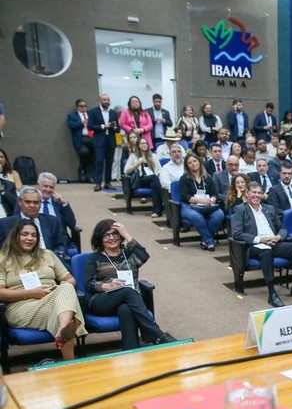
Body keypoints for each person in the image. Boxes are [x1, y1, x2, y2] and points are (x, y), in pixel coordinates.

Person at [0, 219, 86, 361]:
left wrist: (66, 283)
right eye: (25, 234)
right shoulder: (3, 258)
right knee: (67, 308)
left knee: (66, 289)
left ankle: (63, 328)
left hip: (52, 299)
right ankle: (70, 359)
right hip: (21, 306)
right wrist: (30, 293)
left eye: (34, 235)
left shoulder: (48, 254)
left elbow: (70, 278)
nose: (30, 238)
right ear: (15, 236)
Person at [84, 220, 174, 350]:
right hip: (102, 300)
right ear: (100, 239)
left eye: (115, 234)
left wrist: (126, 233)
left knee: (125, 309)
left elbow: (143, 255)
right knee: (128, 291)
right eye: (106, 235)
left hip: (129, 301)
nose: (111, 238)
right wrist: (107, 286)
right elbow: (88, 284)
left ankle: (130, 351)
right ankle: (156, 334)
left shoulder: (129, 254)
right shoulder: (95, 258)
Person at [230, 183, 292, 307]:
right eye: (253, 192)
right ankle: (272, 293)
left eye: (259, 193)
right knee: (266, 253)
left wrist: (278, 237)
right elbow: (237, 234)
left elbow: (282, 228)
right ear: (246, 194)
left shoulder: (269, 209)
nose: (256, 195)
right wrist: (260, 239)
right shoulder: (240, 209)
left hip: (274, 243)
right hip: (254, 246)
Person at [0, 187, 68, 265]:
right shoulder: (5, 224)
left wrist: (52, 259)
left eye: (36, 202)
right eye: (28, 202)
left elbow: (61, 246)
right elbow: (3, 250)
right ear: (19, 202)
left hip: (49, 263)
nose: (32, 206)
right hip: (17, 265)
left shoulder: (52, 221)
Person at [178, 153, 224, 251]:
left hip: (207, 205)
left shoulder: (208, 177)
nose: (193, 164)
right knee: (196, 217)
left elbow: (214, 194)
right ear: (187, 166)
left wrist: (211, 200)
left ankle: (205, 240)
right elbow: (185, 196)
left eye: (195, 161)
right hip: (189, 205)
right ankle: (209, 241)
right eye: (190, 163)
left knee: (219, 214)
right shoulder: (184, 178)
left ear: (199, 162)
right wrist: (200, 200)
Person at [123, 138, 164, 217]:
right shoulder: (133, 156)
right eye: (142, 143)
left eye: (145, 143)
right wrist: (138, 163)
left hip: (153, 180)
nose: (144, 145)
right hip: (140, 180)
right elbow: (126, 171)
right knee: (154, 178)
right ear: (138, 145)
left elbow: (159, 169)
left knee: (154, 184)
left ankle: (156, 211)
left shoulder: (153, 156)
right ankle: (164, 199)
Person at [87, 93, 119, 191]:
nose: (107, 102)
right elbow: (90, 126)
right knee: (99, 161)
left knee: (110, 162)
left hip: (111, 139)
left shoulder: (113, 113)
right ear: (100, 101)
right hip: (99, 140)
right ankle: (98, 183)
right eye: (104, 100)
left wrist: (114, 127)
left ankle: (108, 182)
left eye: (108, 100)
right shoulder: (93, 111)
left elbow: (118, 128)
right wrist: (103, 126)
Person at [66, 98, 94, 183]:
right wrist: (83, 122)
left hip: (92, 138)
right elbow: (71, 125)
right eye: (81, 106)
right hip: (81, 139)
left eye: (85, 106)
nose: (83, 108)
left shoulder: (90, 114)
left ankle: (90, 175)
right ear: (77, 107)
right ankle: (82, 171)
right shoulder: (72, 115)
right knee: (84, 153)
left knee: (93, 156)